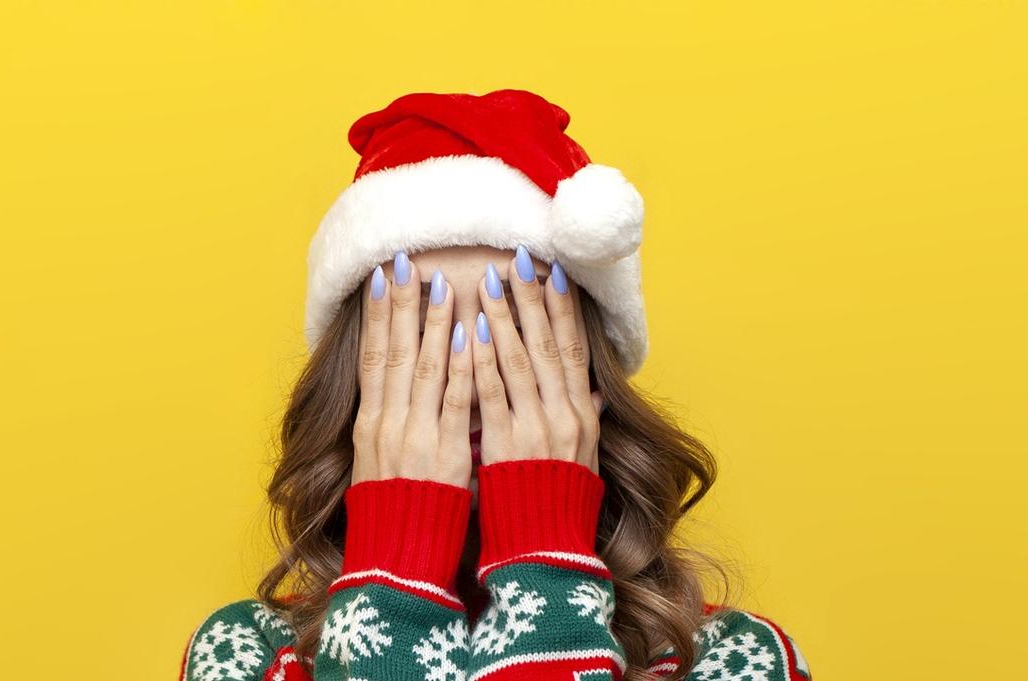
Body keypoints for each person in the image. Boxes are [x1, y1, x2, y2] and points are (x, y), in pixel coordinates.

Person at [178, 90, 811, 681]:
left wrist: (545, 559)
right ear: (353, 378)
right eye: (421, 337)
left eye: (513, 334)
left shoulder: (734, 658)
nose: (465, 390)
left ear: (588, 371)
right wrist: (394, 571)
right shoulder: (244, 655)